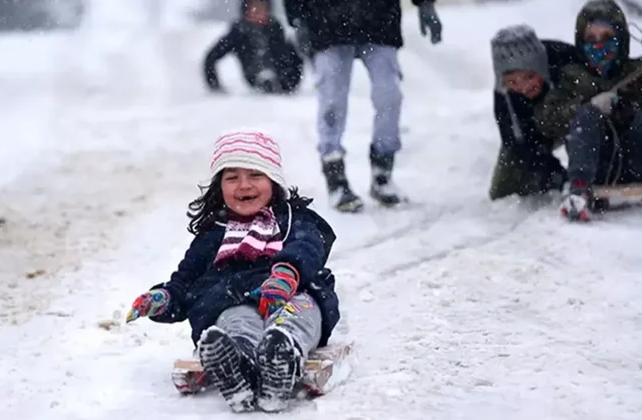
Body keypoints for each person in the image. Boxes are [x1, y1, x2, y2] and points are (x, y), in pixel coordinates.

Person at [125, 131, 340, 413]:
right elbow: (186, 281)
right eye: (232, 177)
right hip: (234, 301)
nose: (243, 185)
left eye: (255, 175)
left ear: (273, 181)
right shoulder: (213, 234)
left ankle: (282, 356)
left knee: (295, 317)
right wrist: (164, 298)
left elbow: (308, 245)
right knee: (235, 322)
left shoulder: (292, 219)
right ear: (219, 186)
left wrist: (287, 273)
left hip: (290, 294)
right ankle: (237, 365)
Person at [534, 0, 642, 222]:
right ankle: (578, 192)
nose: (598, 46)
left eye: (606, 38)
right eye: (591, 40)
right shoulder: (572, 77)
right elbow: (545, 120)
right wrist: (587, 107)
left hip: (637, 161)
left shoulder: (639, 71)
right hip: (596, 166)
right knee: (585, 116)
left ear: (621, 39)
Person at [282, 0, 443, 212]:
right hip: (326, 22)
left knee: (389, 96)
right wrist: (297, 18)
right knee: (332, 102)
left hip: (380, 20)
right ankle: (335, 175)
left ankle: (382, 173)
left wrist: (425, 4)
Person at [488, 24, 585, 201]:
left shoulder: (568, 61)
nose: (523, 87)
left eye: (529, 77)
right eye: (512, 82)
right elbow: (517, 144)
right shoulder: (504, 97)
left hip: (576, 120)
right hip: (537, 132)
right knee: (502, 191)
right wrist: (555, 175)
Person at [203, 0, 304, 94]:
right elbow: (212, 57)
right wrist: (214, 86)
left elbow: (291, 57)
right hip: (254, 74)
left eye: (261, 8)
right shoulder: (239, 32)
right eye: (253, 8)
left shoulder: (275, 28)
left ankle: (273, 79)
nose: (257, 12)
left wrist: (292, 80)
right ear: (246, 11)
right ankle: (265, 79)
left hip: (284, 78)